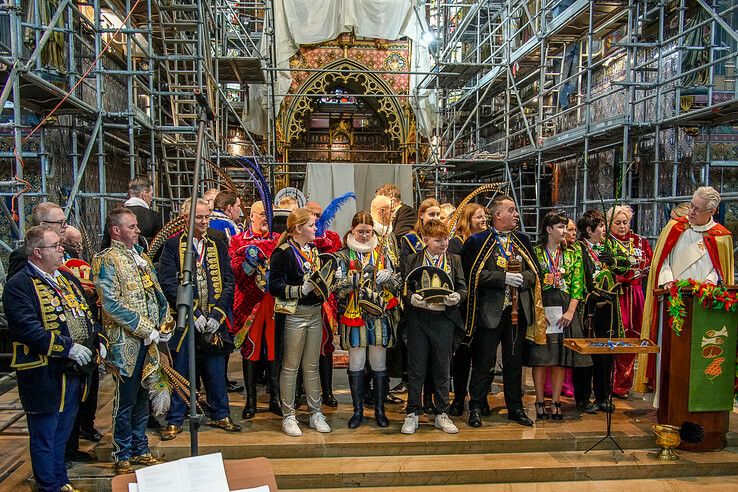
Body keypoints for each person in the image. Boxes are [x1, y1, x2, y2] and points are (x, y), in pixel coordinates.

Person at [3, 226, 104, 492]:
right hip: (44, 373)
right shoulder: (20, 284)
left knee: (62, 432)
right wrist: (66, 347)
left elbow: (87, 313)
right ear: (37, 252)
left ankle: (61, 482)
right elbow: (27, 328)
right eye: (55, 245)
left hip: (73, 371)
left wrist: (97, 341)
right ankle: (49, 485)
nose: (62, 249)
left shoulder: (66, 278)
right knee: (45, 434)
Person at [93, 208, 169, 475]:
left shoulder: (142, 259)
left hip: (149, 340)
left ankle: (141, 447)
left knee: (142, 396)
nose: (138, 231)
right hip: (125, 341)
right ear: (116, 230)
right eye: (132, 226)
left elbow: (156, 294)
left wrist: (164, 322)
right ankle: (121, 451)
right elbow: (110, 304)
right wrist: (144, 327)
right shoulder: (106, 260)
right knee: (125, 400)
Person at [158, 198, 241, 440]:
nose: (204, 221)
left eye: (207, 216)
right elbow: (168, 282)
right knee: (181, 369)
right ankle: (175, 418)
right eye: (199, 217)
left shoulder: (217, 241)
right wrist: (191, 311)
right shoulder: (173, 245)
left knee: (215, 370)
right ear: (186, 218)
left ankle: (220, 413)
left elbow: (228, 280)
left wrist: (217, 314)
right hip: (185, 322)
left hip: (214, 321)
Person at [638, 186, 734, 391]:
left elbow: (721, 272)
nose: (691, 211)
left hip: (702, 304)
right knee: (670, 353)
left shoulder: (721, 236)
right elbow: (661, 262)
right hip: (672, 300)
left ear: (712, 211)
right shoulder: (675, 227)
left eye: (698, 209)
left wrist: (708, 283)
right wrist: (668, 282)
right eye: (691, 205)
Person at [461, 195, 545, 428]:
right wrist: (503, 278)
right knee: (483, 361)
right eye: (511, 210)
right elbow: (472, 276)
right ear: (497, 215)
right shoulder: (477, 241)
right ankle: (476, 406)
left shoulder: (522, 240)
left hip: (516, 312)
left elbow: (535, 272)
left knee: (514, 362)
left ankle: (515, 407)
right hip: (489, 312)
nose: (516, 214)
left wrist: (521, 279)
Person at [335, 211, 402, 428]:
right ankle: (357, 411)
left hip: (379, 316)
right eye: (360, 231)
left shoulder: (383, 253)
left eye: (368, 231)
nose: (364, 235)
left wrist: (389, 278)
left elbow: (398, 284)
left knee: (379, 363)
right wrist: (350, 282)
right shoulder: (343, 256)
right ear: (352, 230)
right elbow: (335, 290)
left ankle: (380, 410)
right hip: (353, 316)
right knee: (356, 363)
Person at [269, 209, 332, 437]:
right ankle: (289, 415)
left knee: (312, 365)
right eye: (312, 225)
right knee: (290, 366)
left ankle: (315, 411)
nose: (316, 229)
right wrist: (299, 290)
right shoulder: (282, 253)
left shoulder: (313, 250)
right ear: (298, 228)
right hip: (294, 314)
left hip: (315, 313)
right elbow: (274, 286)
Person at [401, 219, 467, 435]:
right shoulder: (412, 260)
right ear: (426, 240)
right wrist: (412, 299)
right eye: (439, 240)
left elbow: (463, 288)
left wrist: (457, 297)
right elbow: (405, 287)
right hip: (419, 320)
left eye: (446, 239)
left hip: (444, 320)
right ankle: (412, 412)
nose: (444, 243)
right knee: (416, 368)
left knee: (442, 368)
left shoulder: (454, 260)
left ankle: (441, 413)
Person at [526, 212, 591, 421]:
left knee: (560, 359)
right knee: (542, 358)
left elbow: (578, 285)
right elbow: (530, 281)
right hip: (542, 305)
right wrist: (537, 310)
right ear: (549, 229)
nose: (565, 231)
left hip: (564, 309)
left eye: (566, 227)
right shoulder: (535, 252)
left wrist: (571, 311)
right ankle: (538, 400)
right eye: (561, 227)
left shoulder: (573, 253)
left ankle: (555, 401)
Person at [230, 200, 282, 418]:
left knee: (274, 350)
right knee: (250, 350)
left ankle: (275, 399)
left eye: (268, 215)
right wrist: (249, 263)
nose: (265, 220)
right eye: (261, 215)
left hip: (274, 303)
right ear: (251, 216)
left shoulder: (279, 239)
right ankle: (251, 401)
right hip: (250, 303)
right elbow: (234, 270)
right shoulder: (238, 240)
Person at [573, 210, 626, 414]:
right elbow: (575, 276)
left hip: (609, 309)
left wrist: (612, 261)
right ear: (589, 230)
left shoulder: (609, 245)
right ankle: (583, 398)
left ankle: (604, 396)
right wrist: (588, 295)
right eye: (601, 226)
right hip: (588, 307)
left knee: (606, 354)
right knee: (585, 355)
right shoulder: (578, 248)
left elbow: (626, 266)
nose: (604, 230)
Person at [607, 205, 653, 398]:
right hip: (616, 294)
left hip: (636, 294)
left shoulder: (639, 241)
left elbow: (650, 262)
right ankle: (607, 383)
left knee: (634, 338)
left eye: (625, 222)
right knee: (616, 337)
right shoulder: (606, 243)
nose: (622, 226)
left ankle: (623, 385)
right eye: (617, 223)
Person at [447, 203, 487, 416]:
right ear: (468, 219)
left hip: (484, 306)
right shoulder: (457, 243)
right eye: (479, 217)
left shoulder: (489, 241)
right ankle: (459, 396)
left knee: (483, 355)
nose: (483, 220)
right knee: (461, 355)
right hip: (463, 307)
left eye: (485, 217)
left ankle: (479, 397)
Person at [306, 201, 343, 408]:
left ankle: (327, 391)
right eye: (312, 214)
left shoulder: (333, 238)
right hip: (303, 297)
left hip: (326, 299)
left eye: (319, 214)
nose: (317, 218)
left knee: (325, 345)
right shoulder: (298, 238)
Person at [7, 202, 68, 280]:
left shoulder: (68, 249)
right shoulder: (23, 255)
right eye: (60, 222)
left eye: (65, 222)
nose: (65, 226)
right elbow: (17, 286)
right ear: (43, 225)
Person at [101, 176, 164, 251]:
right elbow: (160, 248)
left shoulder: (114, 216)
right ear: (144, 195)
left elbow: (105, 246)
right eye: (151, 194)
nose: (151, 199)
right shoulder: (154, 217)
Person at [399, 198, 441, 267]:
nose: (435, 218)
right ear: (421, 215)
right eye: (431, 214)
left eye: (438, 214)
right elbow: (404, 267)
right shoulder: (410, 239)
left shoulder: (444, 239)